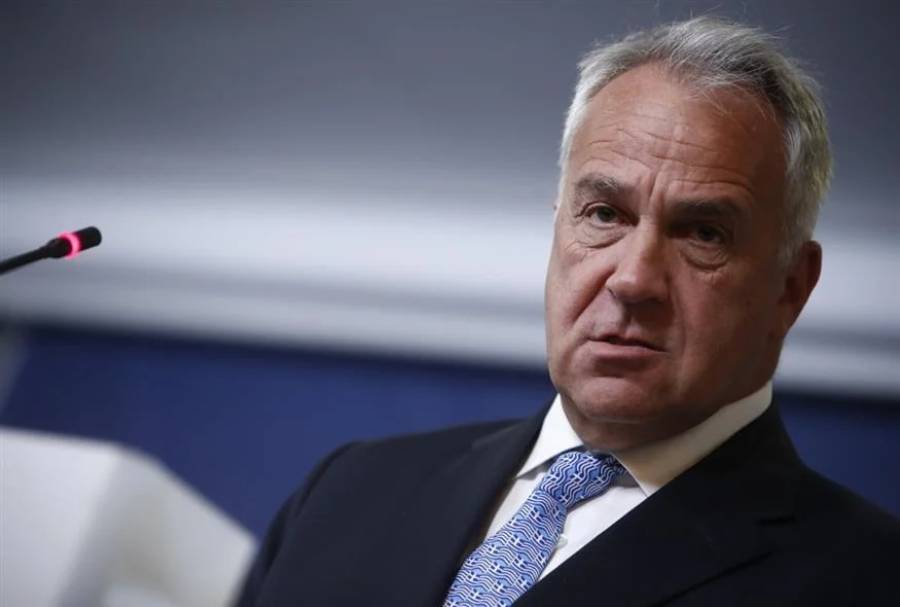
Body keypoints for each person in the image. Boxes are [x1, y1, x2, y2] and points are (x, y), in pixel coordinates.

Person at [237, 16, 899, 606]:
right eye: (604, 214)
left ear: (790, 287)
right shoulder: (347, 490)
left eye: (703, 233)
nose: (634, 279)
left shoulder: (869, 579)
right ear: (559, 226)